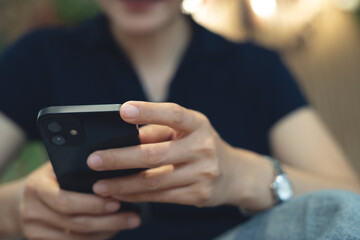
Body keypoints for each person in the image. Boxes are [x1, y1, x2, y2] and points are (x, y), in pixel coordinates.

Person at [0, 0, 360, 239]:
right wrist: (16, 209)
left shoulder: (255, 68)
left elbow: (350, 201)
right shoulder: (40, 56)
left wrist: (244, 174)